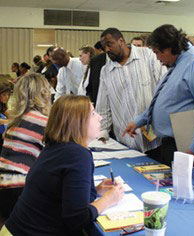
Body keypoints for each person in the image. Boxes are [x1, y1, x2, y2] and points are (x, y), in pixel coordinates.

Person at [0, 95, 124, 236]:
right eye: (93, 114)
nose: (100, 118)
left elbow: (65, 196)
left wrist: (96, 190)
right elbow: (77, 218)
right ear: (77, 122)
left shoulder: (56, 147)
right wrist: (108, 199)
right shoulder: (78, 155)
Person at [124, 24, 194, 166]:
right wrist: (139, 121)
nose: (157, 58)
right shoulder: (179, 61)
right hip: (171, 142)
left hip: (188, 146)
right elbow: (168, 100)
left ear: (168, 49)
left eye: (157, 53)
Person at [96, 27, 167, 153]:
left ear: (121, 41)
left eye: (109, 44)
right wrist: (103, 132)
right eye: (104, 47)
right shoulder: (106, 71)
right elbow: (103, 106)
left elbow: (165, 89)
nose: (107, 49)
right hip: (125, 142)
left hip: (156, 140)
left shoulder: (148, 56)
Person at [0, 73, 51, 222]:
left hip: (5, 190)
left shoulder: (16, 121)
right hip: (20, 194)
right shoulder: (44, 122)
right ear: (44, 93)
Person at [0, 82, 11, 152]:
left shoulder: (2, 105)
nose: (7, 97)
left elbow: (9, 113)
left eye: (8, 95)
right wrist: (10, 121)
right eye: (4, 95)